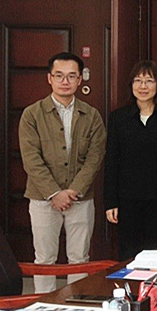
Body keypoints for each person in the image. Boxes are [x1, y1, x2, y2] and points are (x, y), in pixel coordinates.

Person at [19, 52, 106, 293]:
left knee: (79, 258)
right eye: (59, 76)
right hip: (42, 198)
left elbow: (95, 157)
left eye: (71, 76)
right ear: (49, 78)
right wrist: (54, 193)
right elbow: (31, 159)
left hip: (80, 198)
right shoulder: (32, 114)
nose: (64, 81)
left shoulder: (92, 115)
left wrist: (73, 190)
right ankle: (43, 306)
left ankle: (75, 305)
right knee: (44, 259)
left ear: (80, 80)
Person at [104, 61, 157, 261]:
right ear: (131, 85)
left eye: (149, 81)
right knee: (128, 254)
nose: (143, 86)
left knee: (155, 253)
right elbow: (111, 162)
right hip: (126, 199)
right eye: (138, 81)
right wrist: (110, 201)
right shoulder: (118, 118)